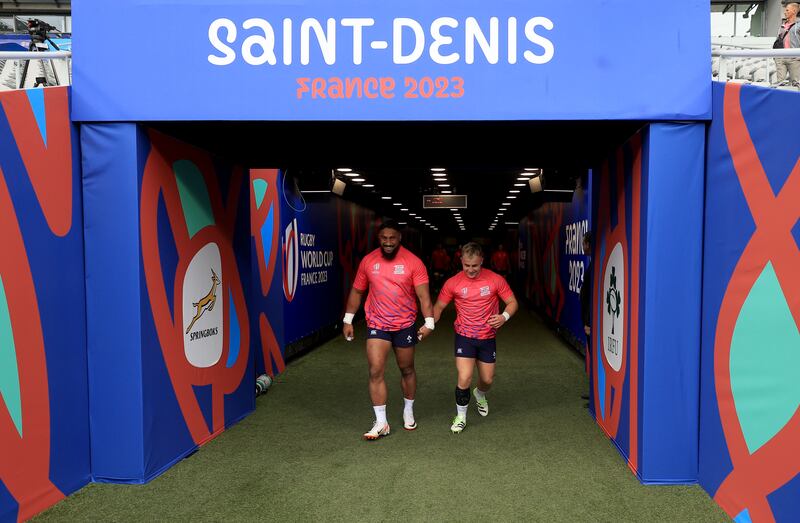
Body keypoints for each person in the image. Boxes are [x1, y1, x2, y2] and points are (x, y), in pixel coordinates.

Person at [342, 220, 435, 440]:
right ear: (379, 238)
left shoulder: (413, 262)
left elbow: (423, 295)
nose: (388, 242)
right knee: (375, 370)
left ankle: (408, 409)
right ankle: (382, 422)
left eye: (392, 238)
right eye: (384, 238)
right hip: (377, 324)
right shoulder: (368, 261)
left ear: (399, 238)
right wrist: (348, 319)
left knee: (407, 369)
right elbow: (357, 292)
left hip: (405, 325)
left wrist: (429, 322)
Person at [431, 242, 518, 433]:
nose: (471, 270)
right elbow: (438, 307)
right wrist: (429, 323)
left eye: (475, 266)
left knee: (487, 379)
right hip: (464, 336)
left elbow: (512, 302)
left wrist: (504, 317)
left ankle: (479, 394)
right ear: (461, 261)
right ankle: (461, 417)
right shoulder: (453, 282)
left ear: (482, 262)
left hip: (487, 337)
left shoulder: (495, 280)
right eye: (467, 265)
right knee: (464, 376)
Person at [580, 232, 593, 403]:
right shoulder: (593, 263)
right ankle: (595, 392)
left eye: (584, 243)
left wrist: (589, 322)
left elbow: (594, 297)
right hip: (589, 320)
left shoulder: (596, 265)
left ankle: (596, 396)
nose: (582, 246)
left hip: (592, 323)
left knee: (596, 356)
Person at [774, 2, 800, 87]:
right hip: (780, 57)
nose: (785, 12)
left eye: (787, 10)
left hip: (794, 58)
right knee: (779, 83)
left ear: (794, 11)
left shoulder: (798, 25)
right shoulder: (782, 25)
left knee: (795, 83)